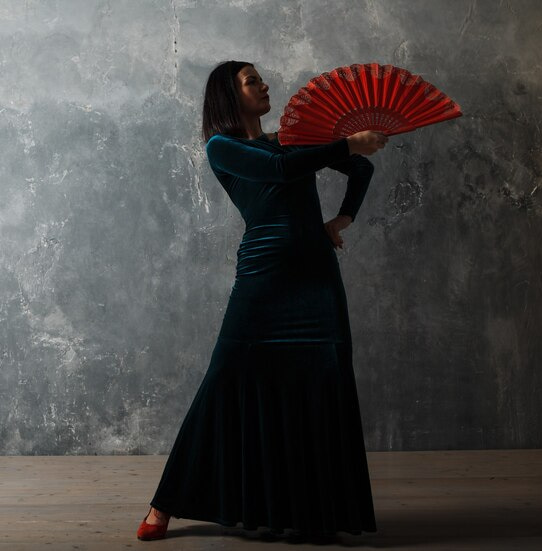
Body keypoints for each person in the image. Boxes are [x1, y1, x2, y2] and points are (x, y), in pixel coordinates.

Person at [137, 60, 387, 541]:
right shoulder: (221, 148)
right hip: (263, 278)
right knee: (224, 379)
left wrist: (343, 218)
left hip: (317, 277)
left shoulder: (291, 142)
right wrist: (344, 143)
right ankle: (164, 502)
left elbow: (362, 166)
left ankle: (316, 513)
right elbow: (277, 168)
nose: (265, 84)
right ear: (230, 96)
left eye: (259, 78)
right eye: (253, 81)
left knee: (323, 383)